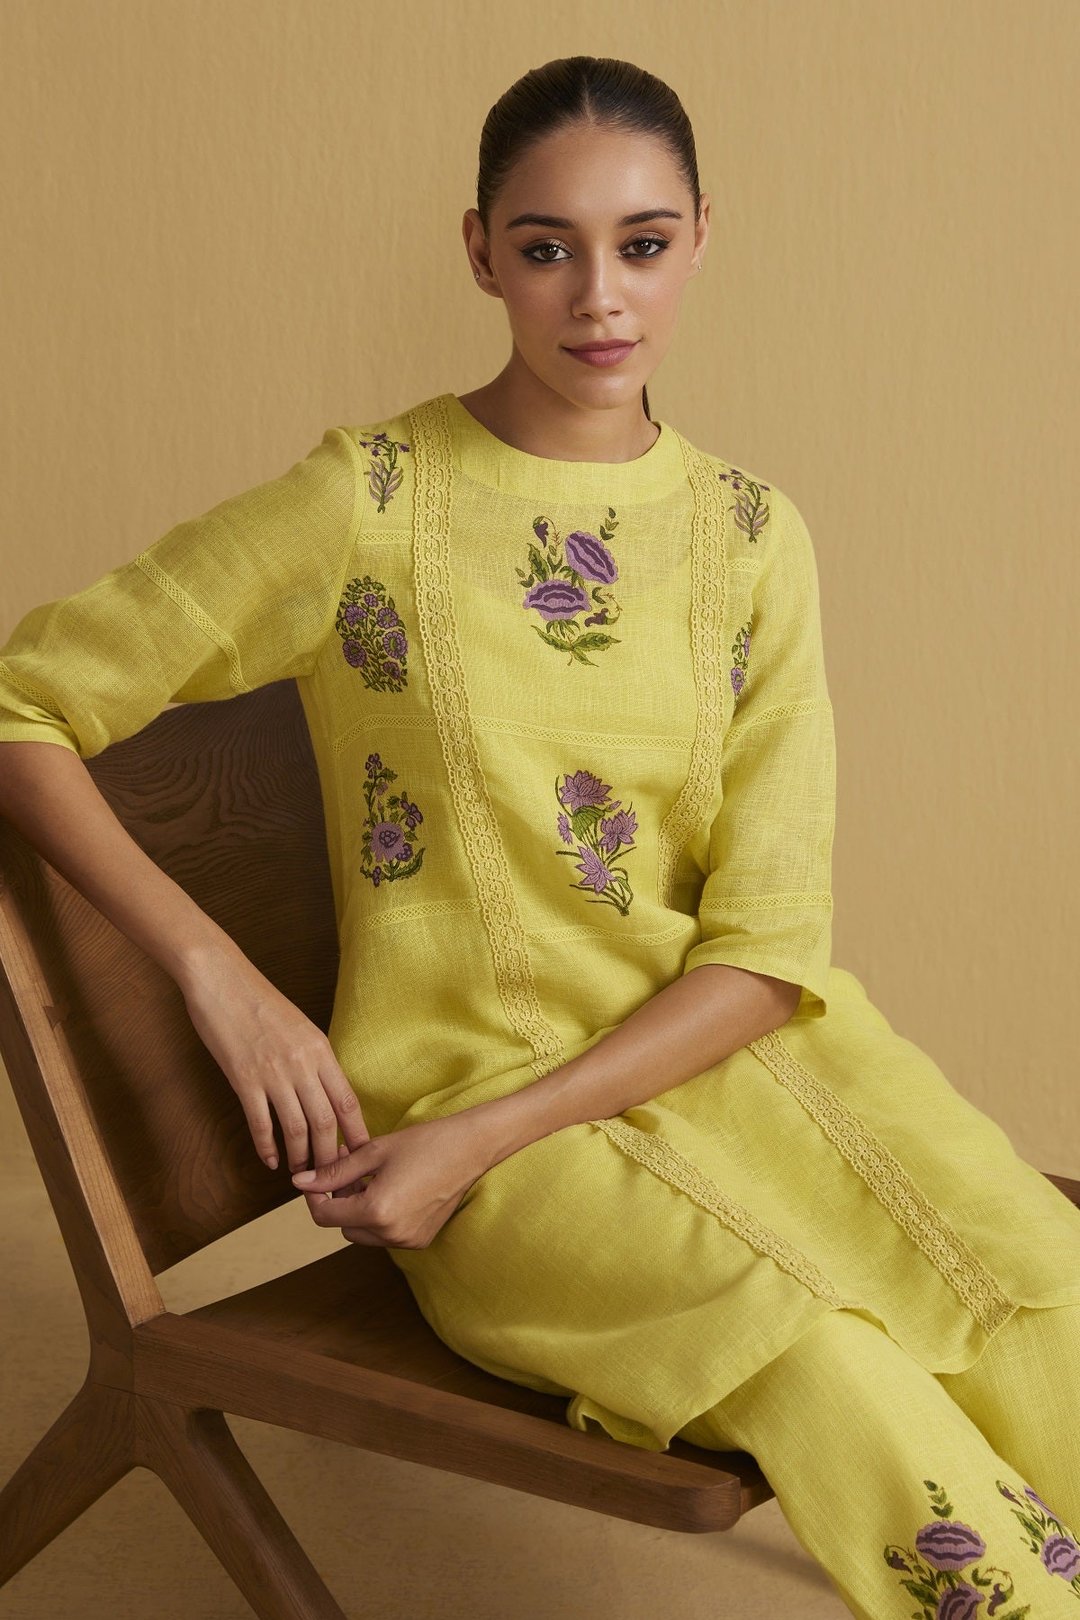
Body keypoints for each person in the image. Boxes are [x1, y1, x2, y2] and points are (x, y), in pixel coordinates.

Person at [1, 51, 1079, 1619]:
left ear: (701, 240)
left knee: (1036, 1285)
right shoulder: (370, 500)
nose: (598, 296)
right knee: (827, 1369)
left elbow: (769, 948)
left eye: (641, 243)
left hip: (730, 1062)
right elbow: (23, 705)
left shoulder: (753, 538)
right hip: (467, 1121)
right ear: (480, 252)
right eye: (546, 246)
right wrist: (219, 975)